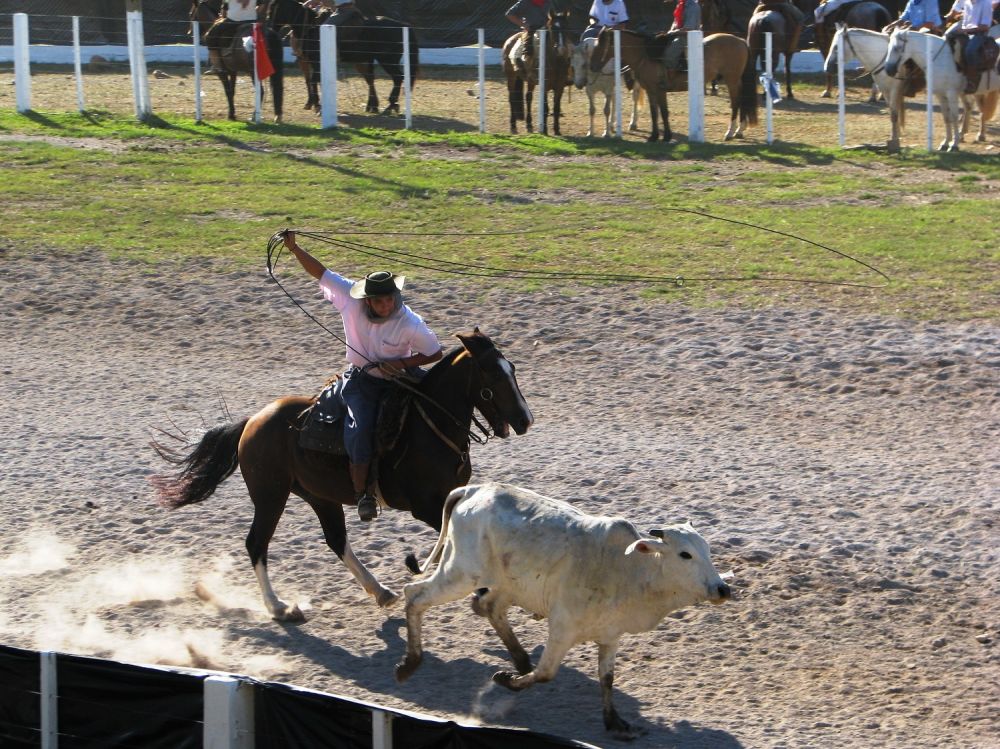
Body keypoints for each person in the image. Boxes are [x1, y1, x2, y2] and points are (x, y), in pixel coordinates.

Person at [282, 231, 443, 522]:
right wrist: (295, 249)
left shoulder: (410, 322)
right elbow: (321, 273)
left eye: (389, 300)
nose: (386, 306)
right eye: (380, 302)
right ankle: (363, 493)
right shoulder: (350, 298)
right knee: (359, 427)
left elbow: (434, 353)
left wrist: (405, 363)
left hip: (402, 380)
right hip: (362, 381)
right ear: (367, 301)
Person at [944, 0, 998, 91]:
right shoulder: (967, 2)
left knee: (970, 50)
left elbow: (985, 26)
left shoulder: (985, 3)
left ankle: (973, 79)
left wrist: (963, 31)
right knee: (948, 38)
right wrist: (961, 29)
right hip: (967, 32)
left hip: (980, 33)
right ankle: (954, 71)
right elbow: (965, 23)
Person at [204, 0, 257, 73]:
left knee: (210, 36)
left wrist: (223, 16)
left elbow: (224, 11)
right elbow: (261, 5)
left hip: (233, 21)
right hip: (253, 21)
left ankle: (218, 67)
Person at [506, 0, 553, 76]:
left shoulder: (549, 2)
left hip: (548, 30)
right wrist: (523, 25)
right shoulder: (525, 2)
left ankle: (566, 73)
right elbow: (510, 14)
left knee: (562, 45)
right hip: (531, 29)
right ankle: (525, 68)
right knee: (527, 49)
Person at [663, 0, 701, 72]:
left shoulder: (692, 7)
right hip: (680, 34)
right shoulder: (681, 4)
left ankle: (673, 76)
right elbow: (676, 21)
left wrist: (673, 32)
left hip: (689, 38)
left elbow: (689, 29)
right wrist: (671, 30)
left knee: (669, 55)